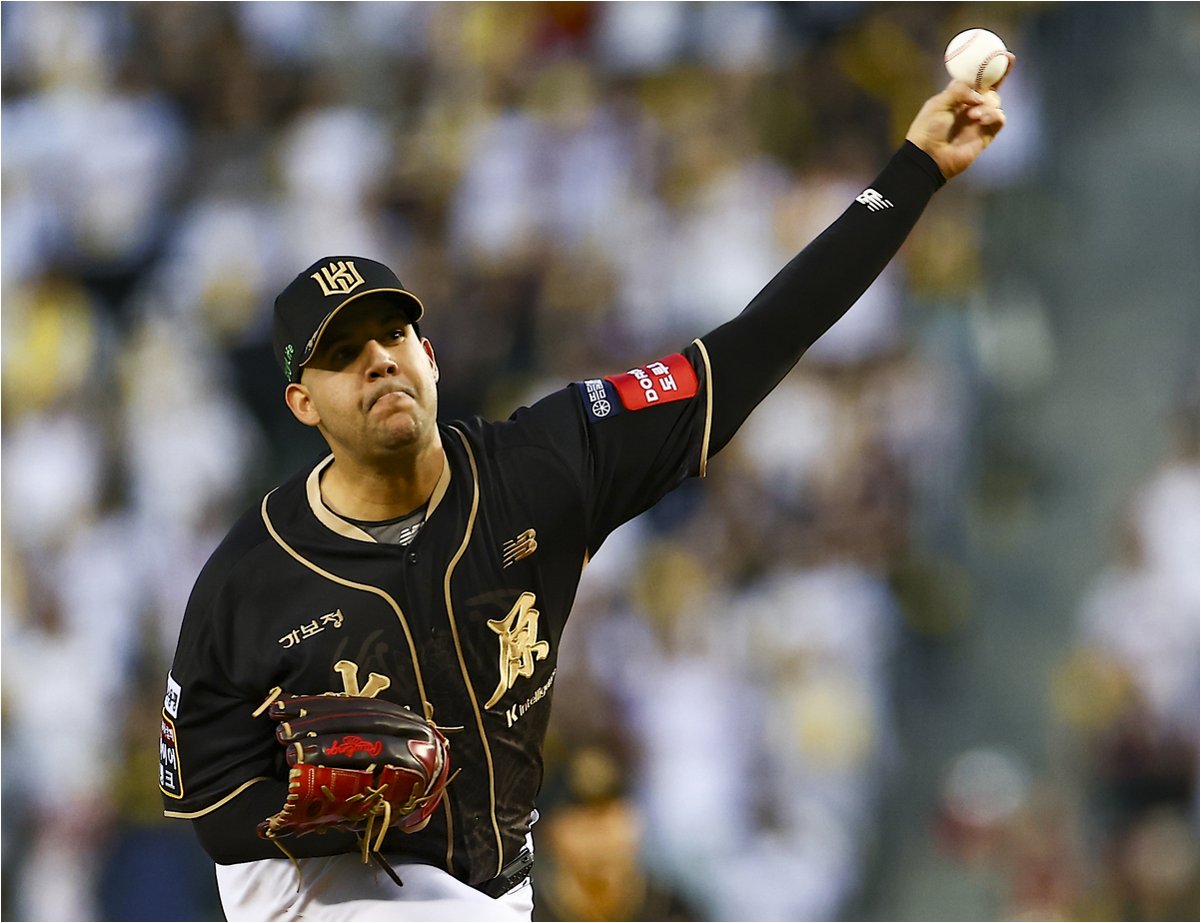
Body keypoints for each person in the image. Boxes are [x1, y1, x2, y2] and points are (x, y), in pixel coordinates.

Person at [160, 78, 1009, 921]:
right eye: (342, 352)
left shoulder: (540, 468)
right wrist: (325, 803)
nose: (379, 358)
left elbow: (756, 343)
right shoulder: (249, 581)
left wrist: (915, 169)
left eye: (392, 333)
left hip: (487, 885)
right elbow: (208, 805)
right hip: (320, 887)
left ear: (430, 356)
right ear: (301, 403)